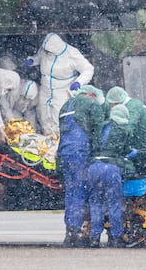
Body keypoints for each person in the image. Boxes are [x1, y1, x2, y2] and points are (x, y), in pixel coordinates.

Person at [57, 85, 104, 247]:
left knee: (71, 192)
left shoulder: (66, 105)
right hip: (81, 152)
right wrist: (99, 154)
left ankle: (70, 231)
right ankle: (76, 231)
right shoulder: (91, 104)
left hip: (65, 153)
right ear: (91, 94)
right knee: (80, 191)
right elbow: (98, 131)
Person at [24, 33, 94, 135]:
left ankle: (59, 141)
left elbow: (88, 69)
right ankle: (47, 139)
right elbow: (40, 57)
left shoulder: (72, 54)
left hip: (62, 90)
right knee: (43, 115)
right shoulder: (45, 50)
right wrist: (33, 60)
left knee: (58, 117)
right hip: (46, 88)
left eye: (48, 51)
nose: (46, 52)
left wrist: (79, 82)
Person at [87, 104, 135, 248]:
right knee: (115, 203)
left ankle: (94, 238)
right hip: (111, 167)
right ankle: (116, 237)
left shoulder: (101, 126)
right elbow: (125, 150)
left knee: (96, 203)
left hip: (94, 167)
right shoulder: (124, 128)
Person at [105, 86, 146, 177]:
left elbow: (127, 129)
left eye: (111, 105)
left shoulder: (131, 108)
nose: (111, 108)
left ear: (117, 102)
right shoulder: (135, 104)